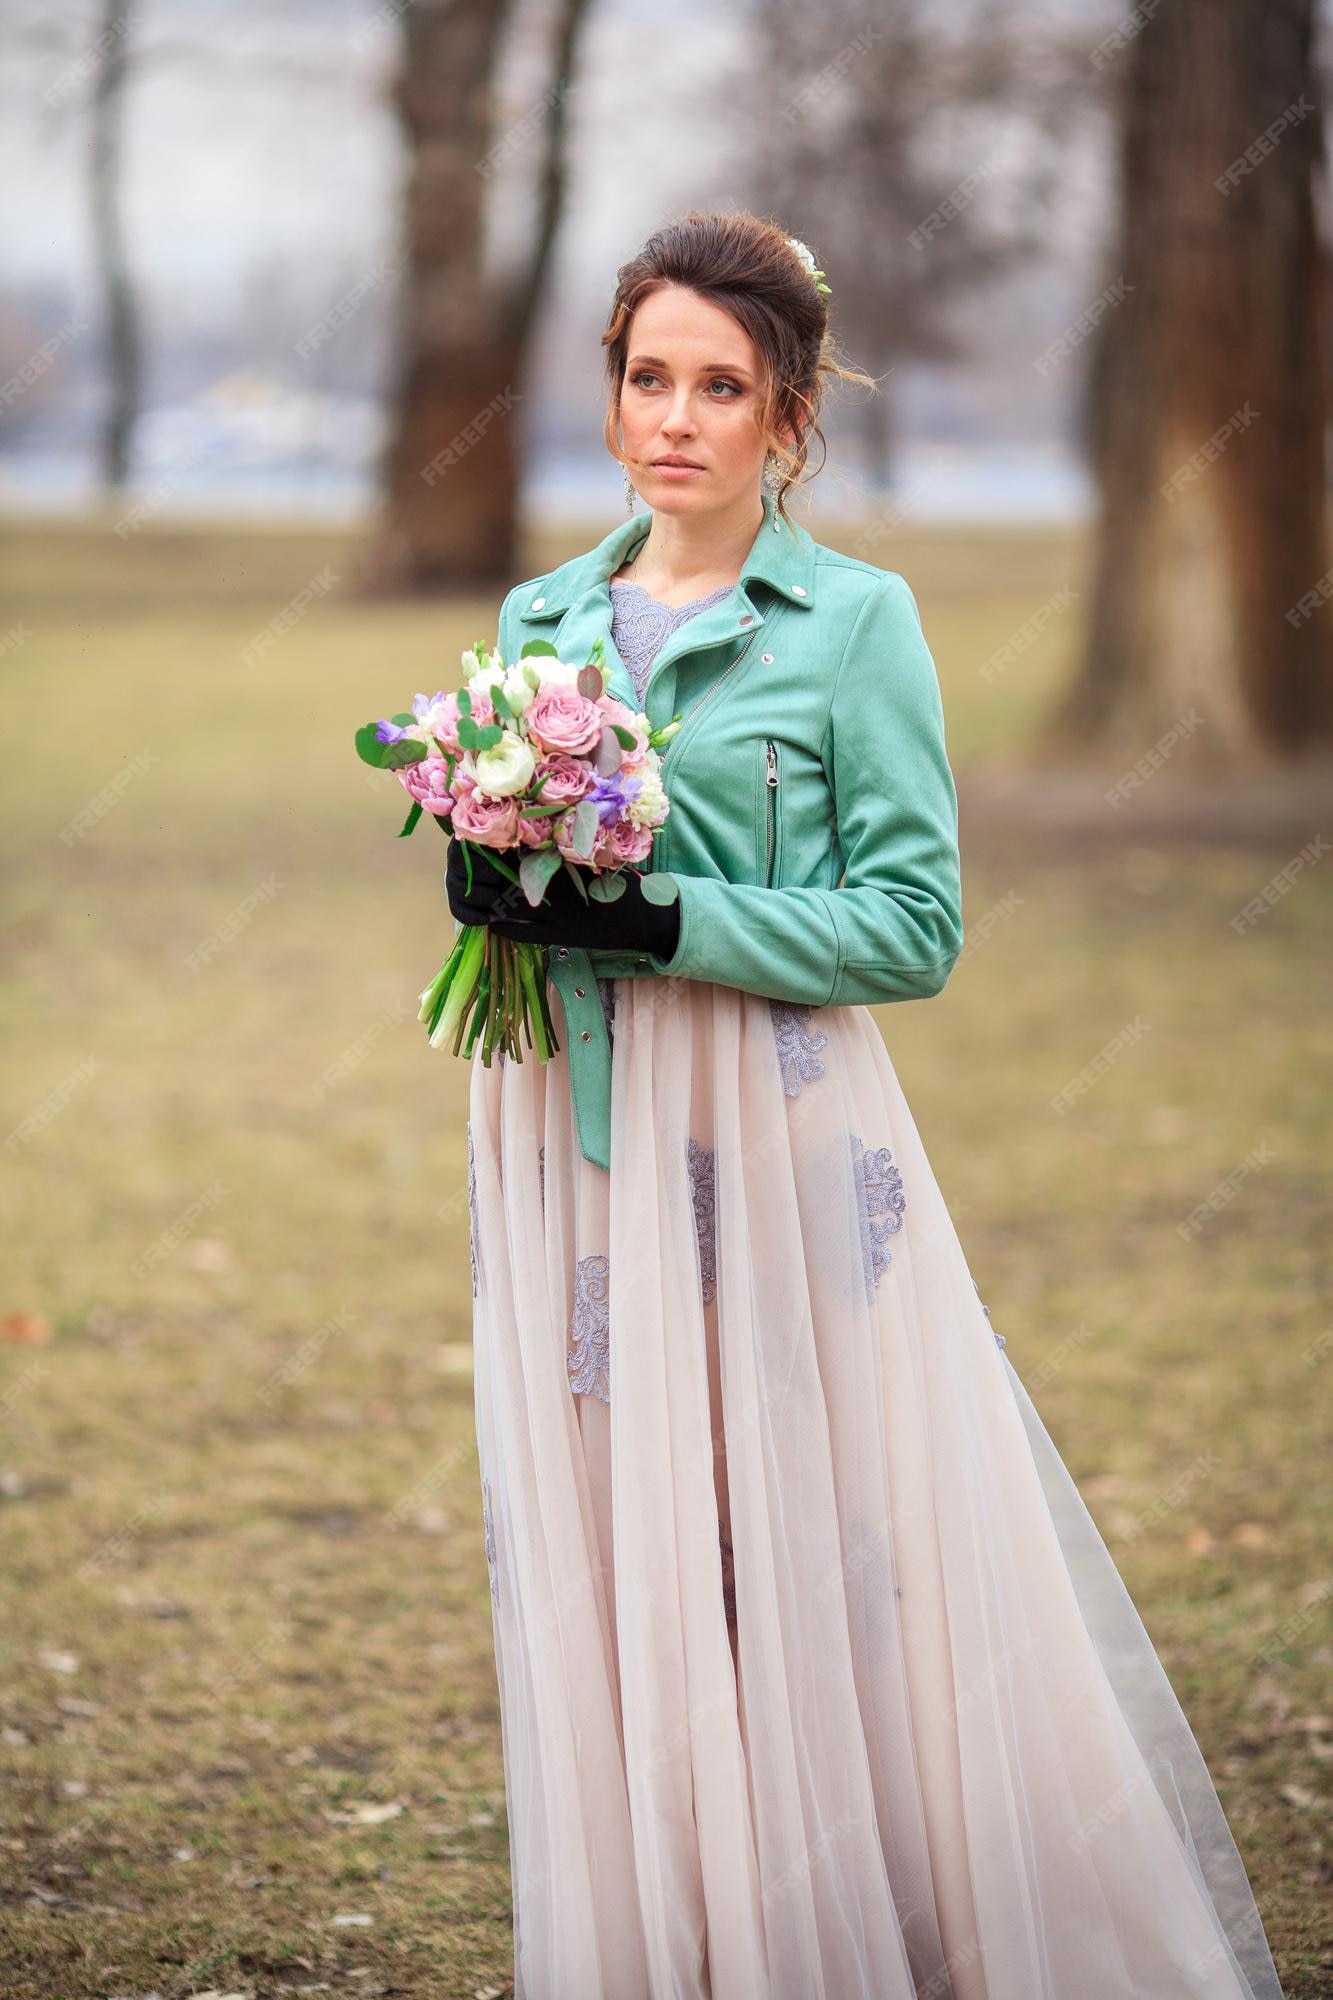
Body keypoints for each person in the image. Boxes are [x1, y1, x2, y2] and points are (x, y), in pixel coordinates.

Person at [446, 209, 1285, 1999]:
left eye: (721, 387)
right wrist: (490, 898)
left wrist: (672, 914)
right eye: (646, 377)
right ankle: (680, 1933)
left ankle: (866, 1934)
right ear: (608, 396)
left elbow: (913, 925)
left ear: (788, 416)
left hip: (774, 1137)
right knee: (626, 1546)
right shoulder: (536, 616)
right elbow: (524, 866)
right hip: (566, 1145)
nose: (675, 417)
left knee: (818, 1548)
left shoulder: (853, 623)